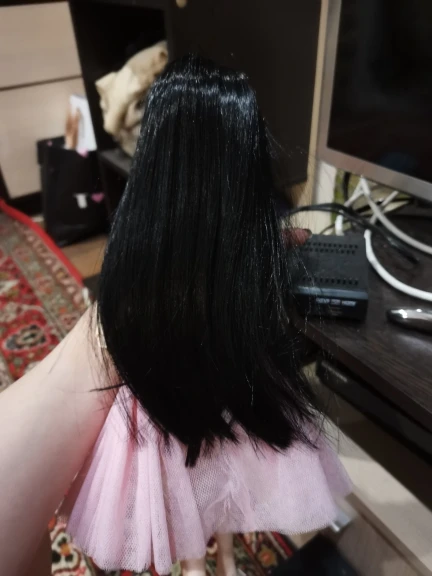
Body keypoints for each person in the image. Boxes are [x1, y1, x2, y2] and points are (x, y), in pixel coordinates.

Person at [0, 54, 350, 576]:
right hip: (170, 398)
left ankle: (209, 559)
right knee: (192, 477)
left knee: (201, 476)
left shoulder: (143, 268)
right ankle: (203, 559)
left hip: (175, 391)